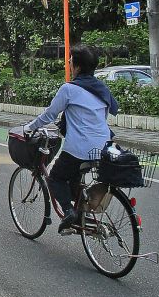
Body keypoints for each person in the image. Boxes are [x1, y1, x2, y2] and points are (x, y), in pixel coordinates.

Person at [25, 45, 118, 233]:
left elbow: (49, 115)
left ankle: (69, 212)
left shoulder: (69, 89)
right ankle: (80, 212)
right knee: (74, 177)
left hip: (79, 148)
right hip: (104, 147)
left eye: (70, 61)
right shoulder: (101, 88)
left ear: (76, 66)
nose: (68, 64)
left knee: (55, 178)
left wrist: (29, 127)